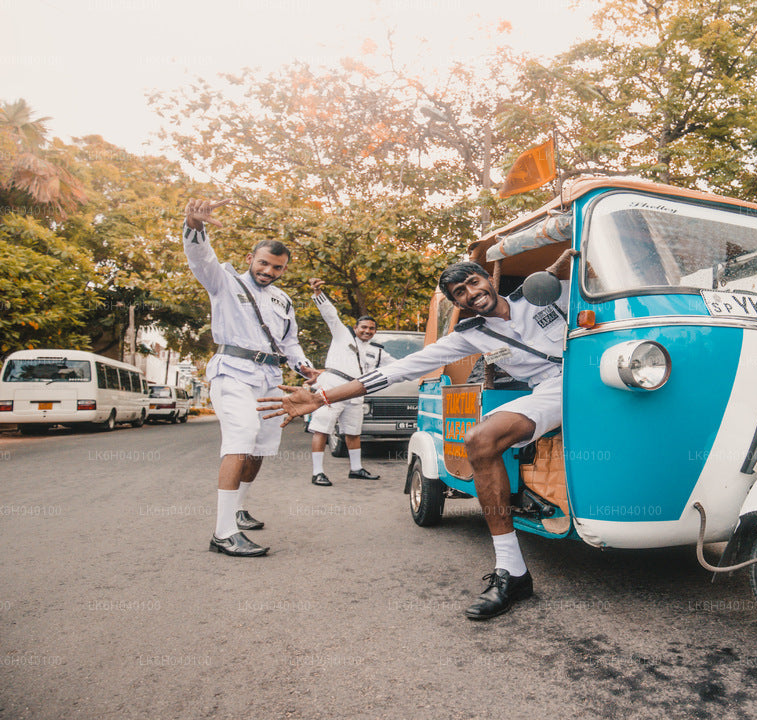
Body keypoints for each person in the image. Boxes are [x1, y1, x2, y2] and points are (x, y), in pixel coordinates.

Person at [258, 254, 573, 619]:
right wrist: (323, 397)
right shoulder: (471, 335)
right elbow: (398, 371)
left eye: (473, 283)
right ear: (457, 304)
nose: (471, 293)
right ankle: (512, 571)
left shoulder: (545, 293)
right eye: (460, 293)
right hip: (552, 391)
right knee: (479, 440)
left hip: (612, 370)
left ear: (487, 279)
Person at [183, 198, 320, 557]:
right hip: (233, 372)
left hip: (269, 377)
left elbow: (290, 342)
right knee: (241, 438)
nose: (269, 271)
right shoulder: (224, 282)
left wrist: (303, 365)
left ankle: (239, 510)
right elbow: (201, 259)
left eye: (277, 267)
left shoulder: (283, 301)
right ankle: (223, 533)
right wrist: (196, 226)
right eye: (263, 263)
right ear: (250, 259)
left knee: (260, 448)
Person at [306, 278, 394, 485]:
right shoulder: (341, 336)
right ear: (355, 328)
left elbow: (402, 365)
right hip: (332, 387)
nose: (367, 331)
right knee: (322, 429)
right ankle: (317, 472)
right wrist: (318, 292)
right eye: (363, 327)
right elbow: (330, 314)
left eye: (372, 328)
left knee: (353, 432)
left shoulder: (378, 352)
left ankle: (356, 468)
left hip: (356, 392)